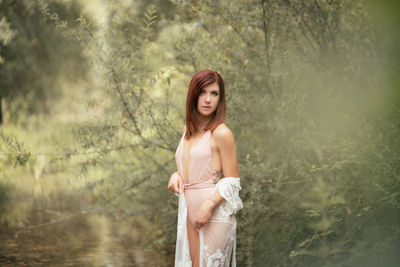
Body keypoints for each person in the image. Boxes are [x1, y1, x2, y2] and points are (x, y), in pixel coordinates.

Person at [168, 70, 243, 267]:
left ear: (221, 98)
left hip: (213, 213)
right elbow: (194, 165)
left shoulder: (222, 133)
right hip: (188, 212)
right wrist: (176, 175)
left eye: (214, 93)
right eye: (202, 92)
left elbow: (233, 182)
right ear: (193, 95)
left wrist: (209, 205)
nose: (208, 99)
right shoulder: (187, 131)